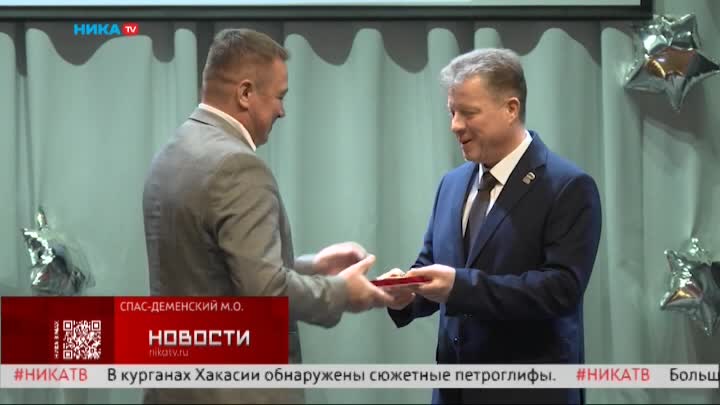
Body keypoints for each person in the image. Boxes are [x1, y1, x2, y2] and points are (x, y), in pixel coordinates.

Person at [142, 28, 393, 404]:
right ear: (245, 93)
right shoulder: (236, 165)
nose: (282, 110)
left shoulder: (172, 152)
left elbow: (210, 271)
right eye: (279, 96)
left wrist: (310, 267)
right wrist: (343, 292)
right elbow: (265, 294)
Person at [381, 48, 602, 404]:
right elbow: (431, 264)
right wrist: (407, 293)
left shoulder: (568, 186)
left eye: (468, 113)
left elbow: (560, 290)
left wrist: (460, 286)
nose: (455, 125)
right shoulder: (451, 184)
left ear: (511, 109)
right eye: (452, 112)